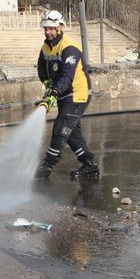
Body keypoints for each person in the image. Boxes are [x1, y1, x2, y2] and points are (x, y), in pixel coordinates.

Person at [34, 10, 99, 180]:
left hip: (78, 94)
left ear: (60, 27)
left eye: (52, 28)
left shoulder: (70, 48)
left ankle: (48, 164)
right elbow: (41, 68)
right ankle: (89, 164)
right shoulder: (45, 47)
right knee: (70, 131)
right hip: (63, 94)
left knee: (61, 126)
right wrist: (47, 83)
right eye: (46, 28)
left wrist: (53, 93)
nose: (48, 32)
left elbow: (67, 76)